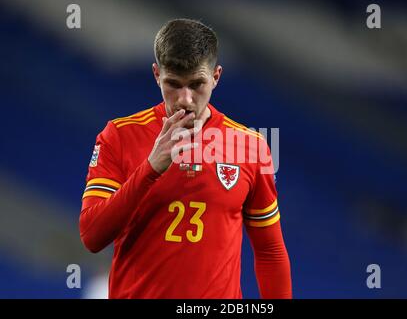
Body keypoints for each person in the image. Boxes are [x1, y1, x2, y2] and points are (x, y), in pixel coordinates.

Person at [79, 18, 292, 299]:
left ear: (216, 76)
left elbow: (270, 251)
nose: (185, 99)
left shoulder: (250, 146)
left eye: (196, 84)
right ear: (156, 74)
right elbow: (92, 236)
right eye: (173, 84)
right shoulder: (119, 136)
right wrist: (151, 167)